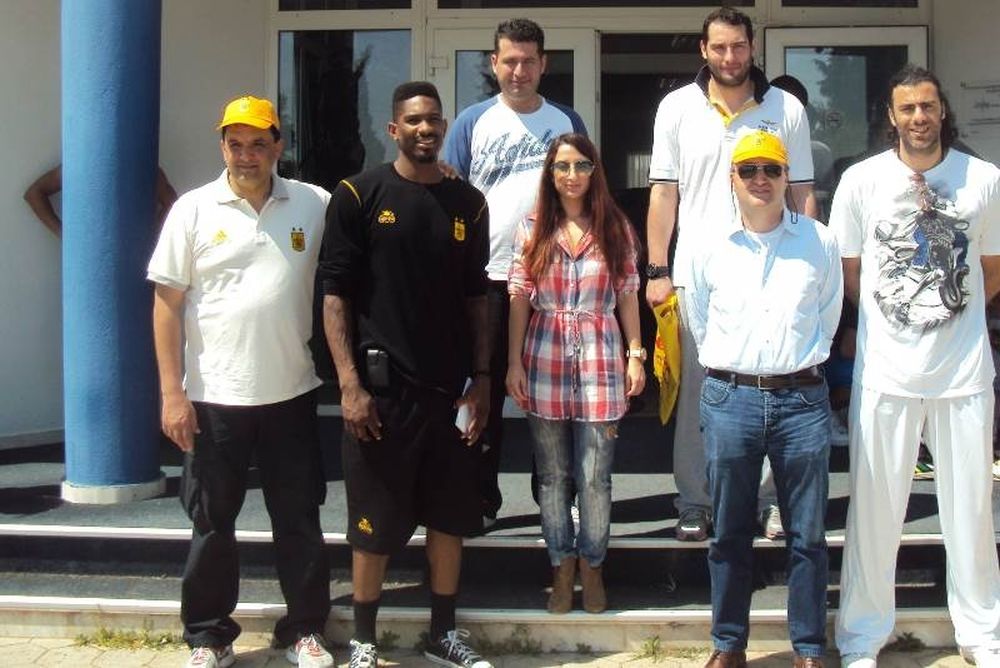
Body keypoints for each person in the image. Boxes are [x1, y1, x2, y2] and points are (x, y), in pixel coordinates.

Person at [147, 95, 333, 668]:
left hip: (291, 392)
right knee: (211, 522)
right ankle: (209, 637)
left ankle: (303, 631)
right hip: (212, 398)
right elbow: (166, 305)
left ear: (278, 145)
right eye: (235, 144)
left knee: (298, 519)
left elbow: (366, 233)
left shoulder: (314, 204)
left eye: (258, 143)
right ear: (222, 147)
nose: (246, 155)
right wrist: (172, 394)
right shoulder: (192, 210)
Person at [831, 65, 1000, 668]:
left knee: (971, 511)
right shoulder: (860, 181)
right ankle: (861, 637)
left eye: (927, 106)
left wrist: (947, 311)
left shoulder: (984, 180)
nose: (919, 118)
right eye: (908, 108)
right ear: (892, 117)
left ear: (942, 110)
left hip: (963, 374)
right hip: (886, 373)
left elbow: (992, 269)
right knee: (874, 513)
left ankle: (982, 633)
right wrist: (900, 316)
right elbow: (850, 273)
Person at [321, 81, 494, 668]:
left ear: (444, 127)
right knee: (373, 526)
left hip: (450, 395)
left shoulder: (469, 203)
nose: (426, 129)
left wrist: (482, 377)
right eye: (414, 120)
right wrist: (349, 384)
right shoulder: (357, 195)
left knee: (449, 520)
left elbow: (477, 298)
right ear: (394, 129)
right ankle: (364, 642)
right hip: (381, 396)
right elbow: (336, 294)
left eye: (434, 120)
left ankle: (443, 634)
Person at [645, 6, 817, 542]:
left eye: (738, 46)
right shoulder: (677, 107)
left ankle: (768, 501)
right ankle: (696, 502)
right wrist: (657, 268)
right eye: (718, 47)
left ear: (752, 47)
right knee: (700, 393)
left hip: (774, 271)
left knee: (771, 387)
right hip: (698, 276)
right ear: (704, 50)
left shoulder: (786, 107)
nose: (729, 56)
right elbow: (664, 193)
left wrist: (809, 261)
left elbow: (802, 191)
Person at [688, 130, 842, 668]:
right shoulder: (707, 242)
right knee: (729, 531)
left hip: (802, 400)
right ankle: (728, 644)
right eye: (749, 169)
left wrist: (793, 364)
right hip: (730, 398)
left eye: (771, 169)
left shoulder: (819, 241)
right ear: (732, 178)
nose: (760, 179)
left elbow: (828, 316)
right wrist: (735, 366)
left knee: (808, 534)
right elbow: (699, 319)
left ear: (786, 177)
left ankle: (808, 648)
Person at [443, 18, 587, 526]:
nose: (519, 71)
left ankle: (557, 500)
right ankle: (479, 499)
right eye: (509, 61)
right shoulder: (472, 122)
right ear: (494, 64)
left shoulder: (566, 122)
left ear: (544, 64)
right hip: (486, 280)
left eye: (528, 61)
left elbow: (584, 195)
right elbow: (449, 199)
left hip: (554, 282)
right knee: (483, 392)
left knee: (553, 397)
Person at [506, 133, 644, 614]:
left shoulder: (615, 226)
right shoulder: (532, 227)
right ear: (550, 173)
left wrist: (635, 354)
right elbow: (519, 296)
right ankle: (561, 566)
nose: (571, 175)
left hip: (601, 357)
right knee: (552, 477)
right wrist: (513, 362)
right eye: (562, 166)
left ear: (594, 172)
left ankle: (593, 566)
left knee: (595, 478)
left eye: (581, 165)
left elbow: (627, 292)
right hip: (544, 356)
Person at [25, 163, 177, 236]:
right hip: (91, 256)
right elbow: (34, 194)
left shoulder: (146, 168)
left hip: (135, 259)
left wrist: (152, 235)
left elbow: (172, 204)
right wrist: (63, 234)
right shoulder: (81, 164)